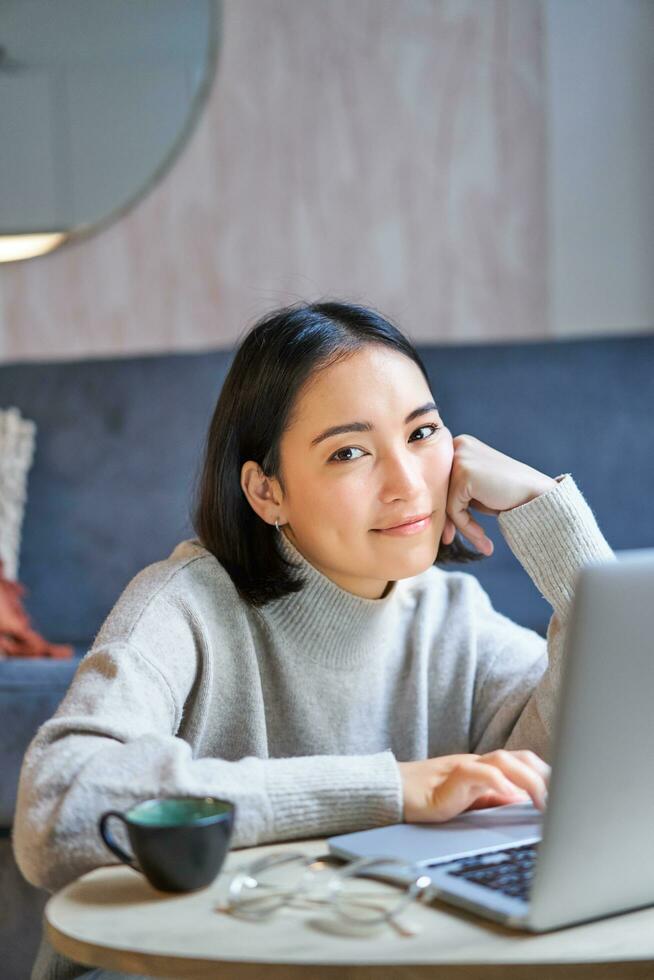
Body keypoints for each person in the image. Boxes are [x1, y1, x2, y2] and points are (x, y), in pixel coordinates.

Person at [14, 300, 614, 980]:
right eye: (350, 452)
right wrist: (391, 789)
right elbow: (59, 808)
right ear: (267, 493)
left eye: (422, 433)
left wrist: (552, 520)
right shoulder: (181, 605)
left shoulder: (453, 617)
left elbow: (597, 772)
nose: (408, 483)